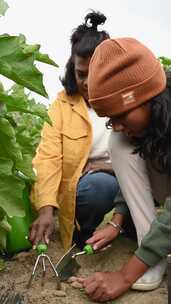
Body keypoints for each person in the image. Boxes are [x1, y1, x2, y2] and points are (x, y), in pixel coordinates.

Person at [78, 37, 171, 302]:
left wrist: (126, 275)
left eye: (121, 115)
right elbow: (135, 178)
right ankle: (151, 255)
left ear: (148, 97)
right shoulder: (146, 124)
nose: (116, 125)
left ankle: (148, 255)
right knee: (119, 142)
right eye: (110, 119)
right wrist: (117, 220)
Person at [29, 12, 128, 251]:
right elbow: (48, 158)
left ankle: (126, 226)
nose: (87, 82)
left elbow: (142, 157)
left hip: (127, 179)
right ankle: (82, 232)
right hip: (85, 187)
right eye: (81, 74)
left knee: (102, 184)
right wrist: (46, 210)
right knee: (94, 189)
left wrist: (108, 167)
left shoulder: (126, 101)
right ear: (73, 69)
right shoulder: (62, 104)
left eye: (96, 73)